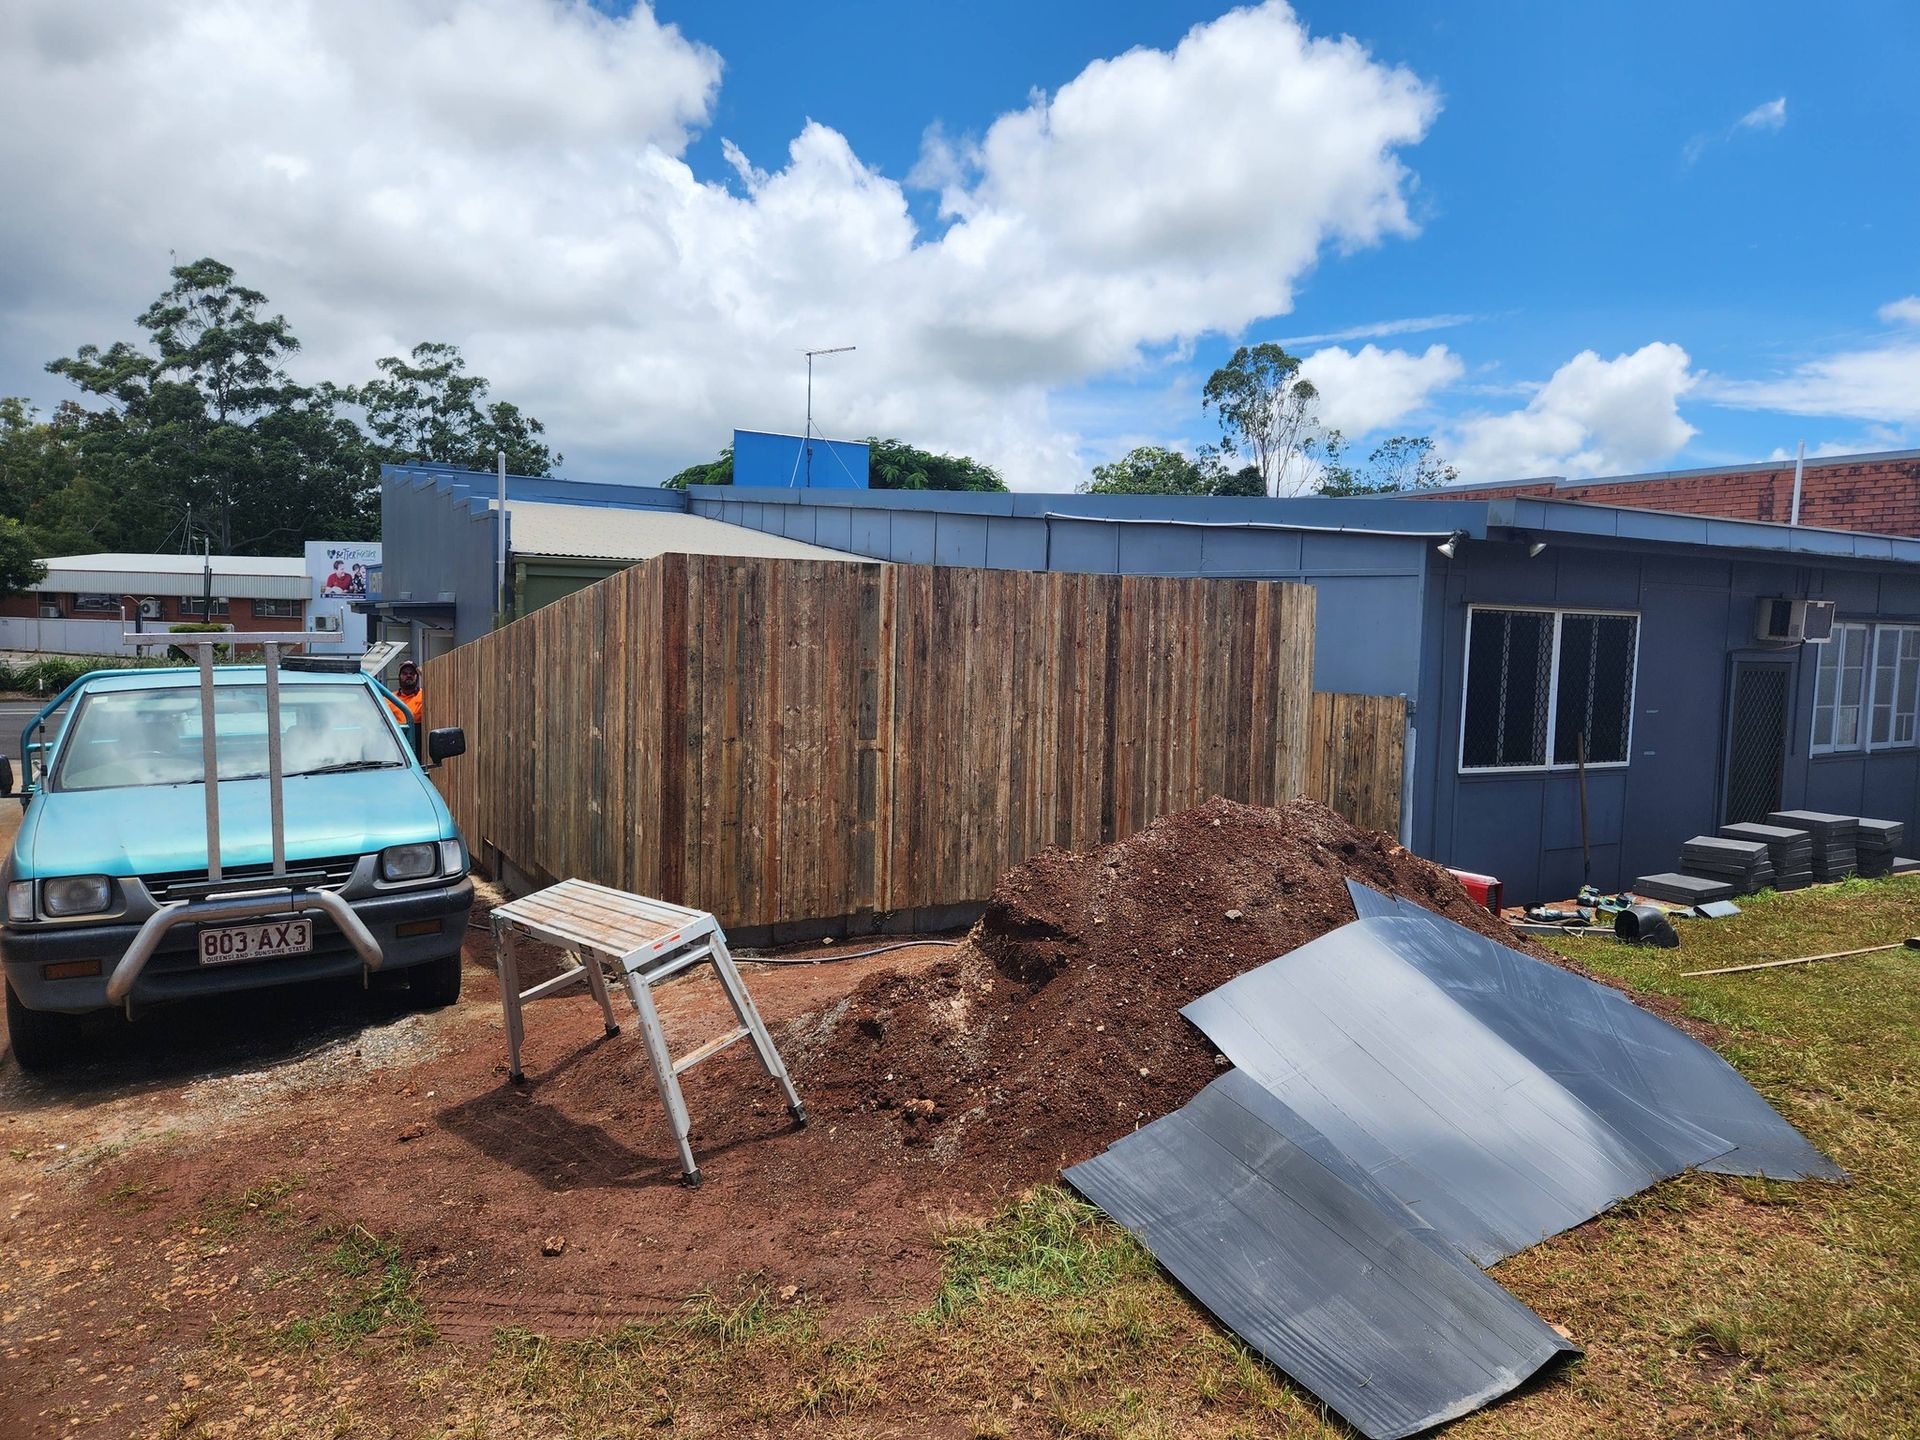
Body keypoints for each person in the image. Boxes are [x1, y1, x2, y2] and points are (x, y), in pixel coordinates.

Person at [389, 660, 425, 727]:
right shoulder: (389, 699)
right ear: (399, 677)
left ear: (417, 676)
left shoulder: (425, 696)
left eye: (412, 673)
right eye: (405, 673)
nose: (408, 676)